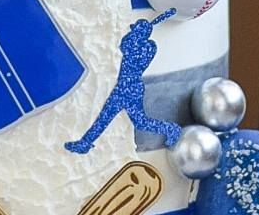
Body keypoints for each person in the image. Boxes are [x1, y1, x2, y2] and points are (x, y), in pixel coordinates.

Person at [65, 10, 180, 154]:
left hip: (132, 88)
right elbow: (123, 45)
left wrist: (141, 30)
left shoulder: (148, 47)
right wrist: (140, 30)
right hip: (122, 86)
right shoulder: (131, 43)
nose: (133, 32)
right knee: (117, 118)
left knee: (126, 120)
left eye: (136, 30)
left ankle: (171, 129)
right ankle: (85, 143)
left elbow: (132, 51)